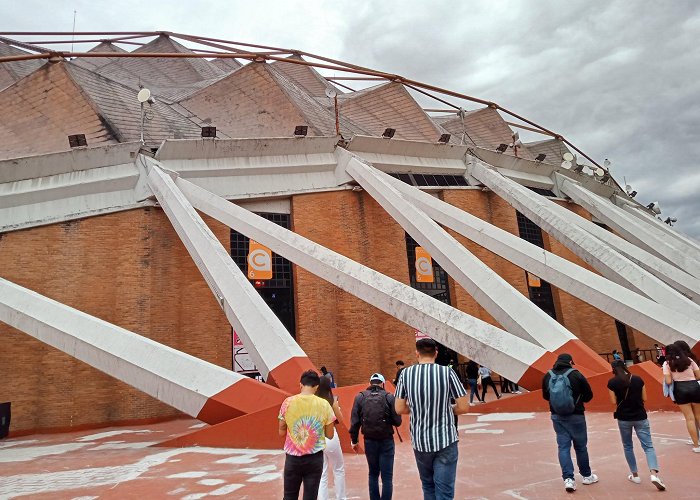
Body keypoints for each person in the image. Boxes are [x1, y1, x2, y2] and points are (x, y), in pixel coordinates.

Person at [395, 338, 469, 499]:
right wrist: (447, 410)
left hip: (420, 441)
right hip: (445, 440)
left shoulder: (405, 374)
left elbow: (399, 408)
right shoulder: (447, 373)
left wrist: (416, 409)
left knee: (428, 486)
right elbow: (463, 406)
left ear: (417, 353)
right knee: (445, 491)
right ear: (436, 353)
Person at [542, 353, 598, 493]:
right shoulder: (576, 375)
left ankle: (568, 479)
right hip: (576, 416)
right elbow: (589, 395)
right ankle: (586, 476)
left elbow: (545, 396)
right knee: (580, 447)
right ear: (570, 362)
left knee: (563, 447)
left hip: (557, 416)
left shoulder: (548, 375)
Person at [607, 360, 666, 490]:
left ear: (613, 369)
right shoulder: (638, 379)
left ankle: (635, 475)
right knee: (648, 446)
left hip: (623, 418)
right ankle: (654, 474)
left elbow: (613, 402)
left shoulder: (612, 383)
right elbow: (644, 398)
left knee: (628, 446)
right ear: (625, 367)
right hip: (640, 416)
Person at [279, 370, 336, 500]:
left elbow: (281, 431)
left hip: (292, 459)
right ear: (316, 387)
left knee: (289, 496)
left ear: (300, 385)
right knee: (311, 497)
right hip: (314, 459)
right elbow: (330, 435)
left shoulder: (287, 402)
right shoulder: (324, 404)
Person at [349, 373, 402, 500]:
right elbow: (398, 422)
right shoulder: (389, 397)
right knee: (387, 477)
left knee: (373, 474)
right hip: (386, 441)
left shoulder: (360, 397)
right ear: (382, 383)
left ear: (370, 383)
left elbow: (355, 422)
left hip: (369, 441)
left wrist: (354, 441)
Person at [662, 343, 700, 452]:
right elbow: (699, 376)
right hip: (695, 387)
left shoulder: (667, 363)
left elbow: (668, 381)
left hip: (680, 389)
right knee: (698, 415)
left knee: (689, 418)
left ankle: (696, 446)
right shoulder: (689, 360)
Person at [316, 376, 346, 500]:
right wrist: (337, 408)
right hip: (330, 437)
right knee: (338, 468)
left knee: (322, 472)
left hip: (316, 437)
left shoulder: (314, 401)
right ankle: (341, 498)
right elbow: (341, 419)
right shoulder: (332, 401)